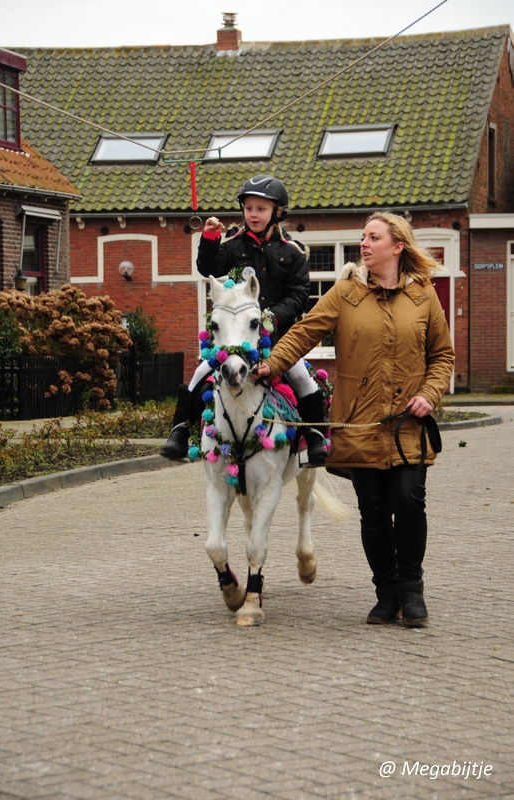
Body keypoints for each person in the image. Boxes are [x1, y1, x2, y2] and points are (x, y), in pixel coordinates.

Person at [254, 211, 455, 628]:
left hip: (407, 426)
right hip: (359, 425)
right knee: (375, 512)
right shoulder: (345, 292)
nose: (364, 244)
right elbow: (305, 331)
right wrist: (271, 364)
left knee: (408, 501)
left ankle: (411, 592)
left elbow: (442, 356)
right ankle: (386, 594)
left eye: (373, 237)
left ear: (397, 246)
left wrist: (429, 395)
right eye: (363, 237)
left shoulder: (423, 295)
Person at [161, 175, 328, 466]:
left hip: (278, 339)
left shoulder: (294, 251)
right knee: (201, 372)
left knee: (302, 378)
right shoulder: (233, 246)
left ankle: (315, 438)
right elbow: (208, 267)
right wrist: (211, 238)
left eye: (261, 209)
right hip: (238, 337)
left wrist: (273, 316)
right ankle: (179, 431)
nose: (253, 214)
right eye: (249, 208)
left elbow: (300, 295)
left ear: (277, 212)